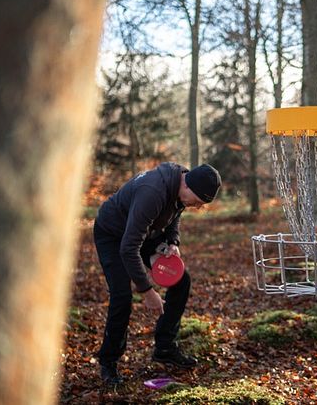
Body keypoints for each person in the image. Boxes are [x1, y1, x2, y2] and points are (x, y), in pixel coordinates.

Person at [93, 162, 221, 385]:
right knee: (122, 296)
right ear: (189, 187)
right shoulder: (152, 193)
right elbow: (128, 248)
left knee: (182, 281)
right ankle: (108, 362)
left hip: (144, 232)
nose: (198, 207)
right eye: (199, 202)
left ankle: (165, 347)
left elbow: (176, 213)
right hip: (113, 234)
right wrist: (147, 290)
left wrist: (172, 241)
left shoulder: (181, 184)